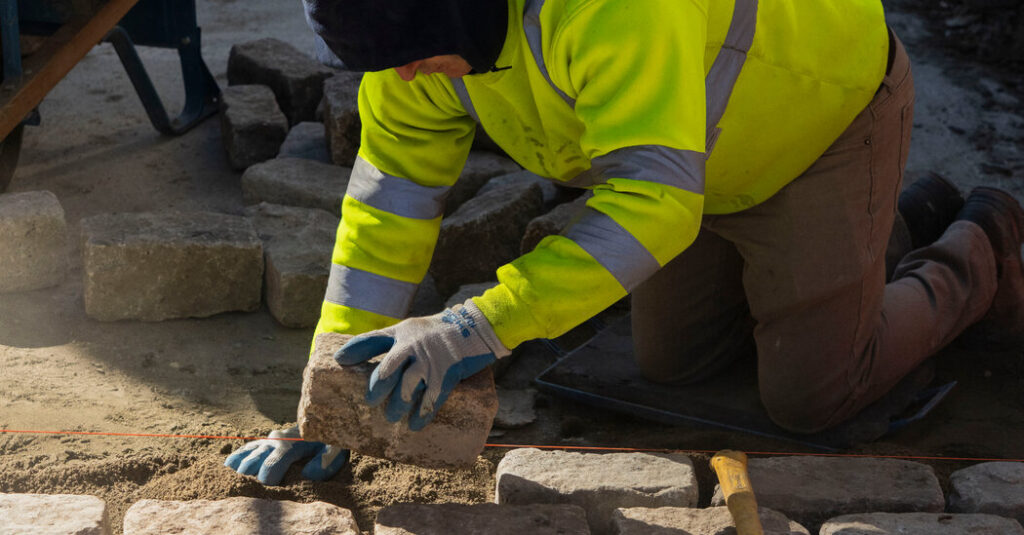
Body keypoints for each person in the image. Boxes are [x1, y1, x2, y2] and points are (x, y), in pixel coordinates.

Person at [226, 0, 1024, 485]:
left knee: (812, 393)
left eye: (413, 59)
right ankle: (893, 218)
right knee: (674, 363)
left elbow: (653, 210)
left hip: (819, 122)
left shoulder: (609, 10)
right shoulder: (420, 54)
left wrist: (478, 323)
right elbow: (389, 204)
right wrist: (327, 393)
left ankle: (978, 243)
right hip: (694, 161)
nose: (405, 79)